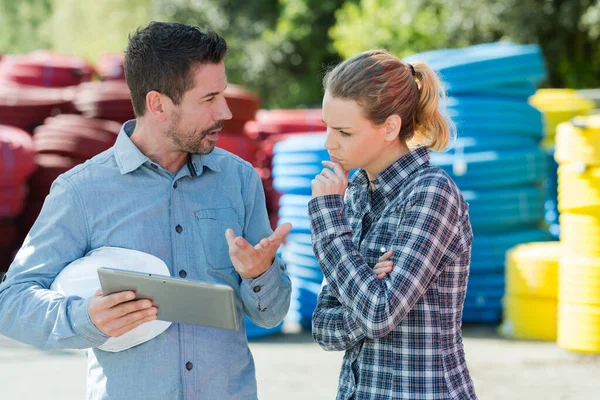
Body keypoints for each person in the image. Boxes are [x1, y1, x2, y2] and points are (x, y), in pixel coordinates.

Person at [0, 22, 292, 399]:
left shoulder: (239, 180)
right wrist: (83, 318)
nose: (224, 111)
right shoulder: (82, 191)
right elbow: (12, 300)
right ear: (158, 104)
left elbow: (270, 314)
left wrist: (260, 273)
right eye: (208, 99)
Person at [309, 49, 478, 399]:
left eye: (344, 131)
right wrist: (369, 281)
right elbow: (323, 327)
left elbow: (380, 315)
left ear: (389, 127)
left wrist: (329, 219)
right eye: (327, 127)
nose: (329, 142)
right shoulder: (355, 194)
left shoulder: (432, 193)